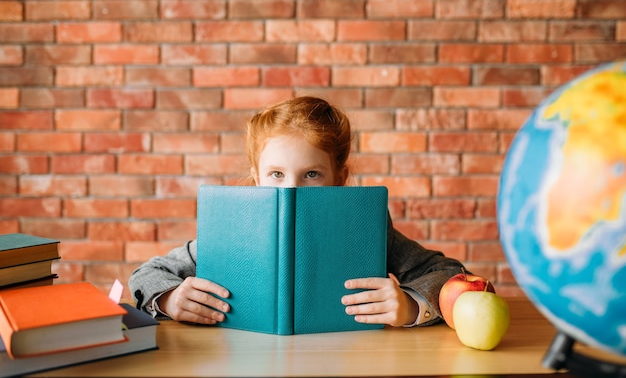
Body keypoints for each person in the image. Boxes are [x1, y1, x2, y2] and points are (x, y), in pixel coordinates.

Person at [129, 96, 466, 327]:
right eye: (277, 175)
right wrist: (170, 299)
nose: (291, 190)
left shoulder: (364, 227)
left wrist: (409, 305)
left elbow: (450, 273)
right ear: (257, 178)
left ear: (339, 178)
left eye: (312, 174)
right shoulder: (232, 230)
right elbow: (146, 275)